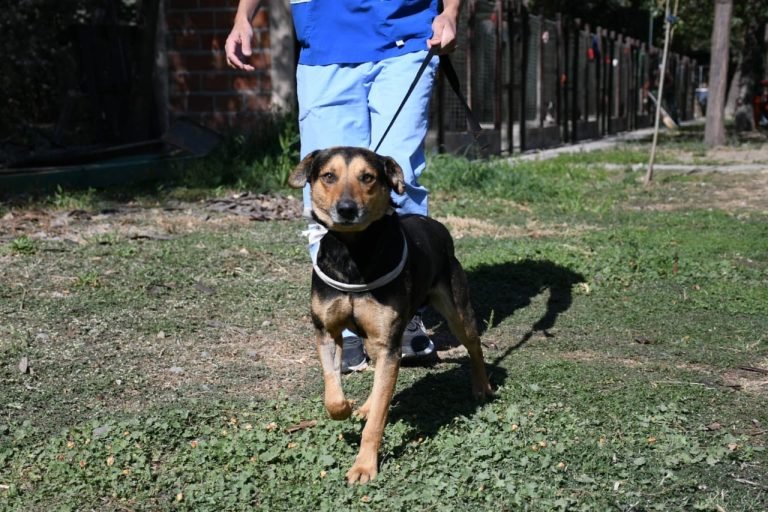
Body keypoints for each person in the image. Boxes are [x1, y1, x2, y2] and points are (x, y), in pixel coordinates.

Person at [226, 0, 462, 372]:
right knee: (330, 186)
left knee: (398, 181)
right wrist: (244, 17)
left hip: (406, 34)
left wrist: (450, 13)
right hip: (325, 41)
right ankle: (343, 322)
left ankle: (402, 311)